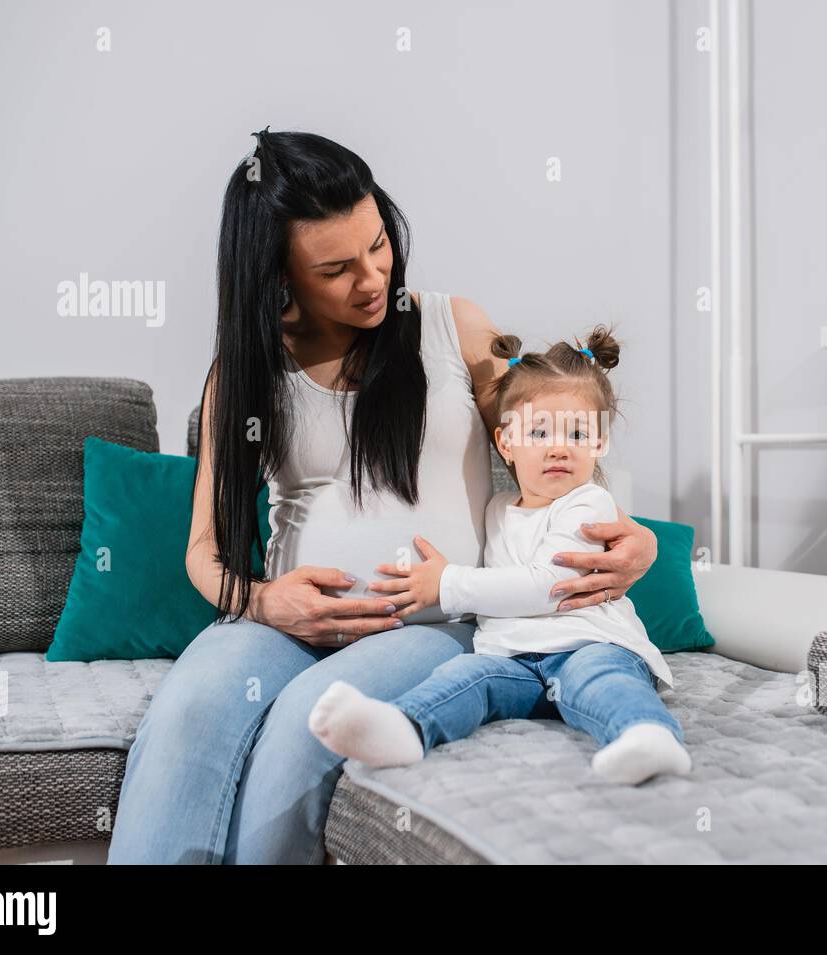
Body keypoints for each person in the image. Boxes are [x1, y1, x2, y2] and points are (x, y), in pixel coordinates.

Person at [106, 129, 658, 864]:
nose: (371, 278)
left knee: (306, 722)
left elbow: (552, 446)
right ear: (277, 276)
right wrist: (268, 602)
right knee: (185, 717)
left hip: (432, 620)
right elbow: (203, 553)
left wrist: (638, 535)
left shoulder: (454, 329)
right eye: (335, 268)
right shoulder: (240, 375)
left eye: (378, 245)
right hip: (278, 624)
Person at [309, 326, 690, 785]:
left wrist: (447, 584)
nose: (557, 446)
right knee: (468, 676)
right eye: (539, 431)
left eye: (577, 433)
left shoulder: (589, 503)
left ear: (599, 444)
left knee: (600, 679)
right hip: (516, 662)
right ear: (506, 442)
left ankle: (647, 735)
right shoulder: (496, 508)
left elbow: (547, 586)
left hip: (588, 646)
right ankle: (405, 727)